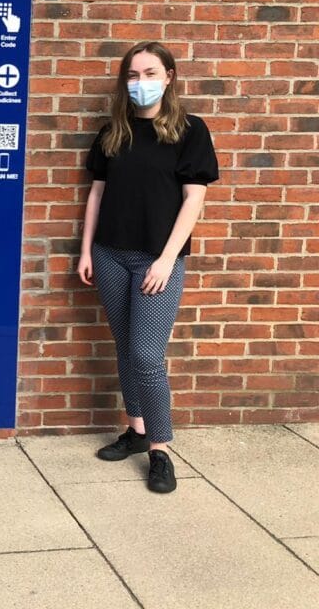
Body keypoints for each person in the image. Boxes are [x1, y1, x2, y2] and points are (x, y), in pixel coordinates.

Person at [77, 41, 218, 494]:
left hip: (158, 260)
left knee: (147, 357)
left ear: (170, 76)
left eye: (150, 72)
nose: (141, 82)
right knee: (125, 348)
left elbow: (194, 199)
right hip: (110, 254)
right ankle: (136, 430)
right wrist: (85, 251)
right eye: (133, 75)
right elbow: (97, 194)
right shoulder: (112, 132)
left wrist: (167, 258)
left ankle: (161, 450)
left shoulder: (190, 131)